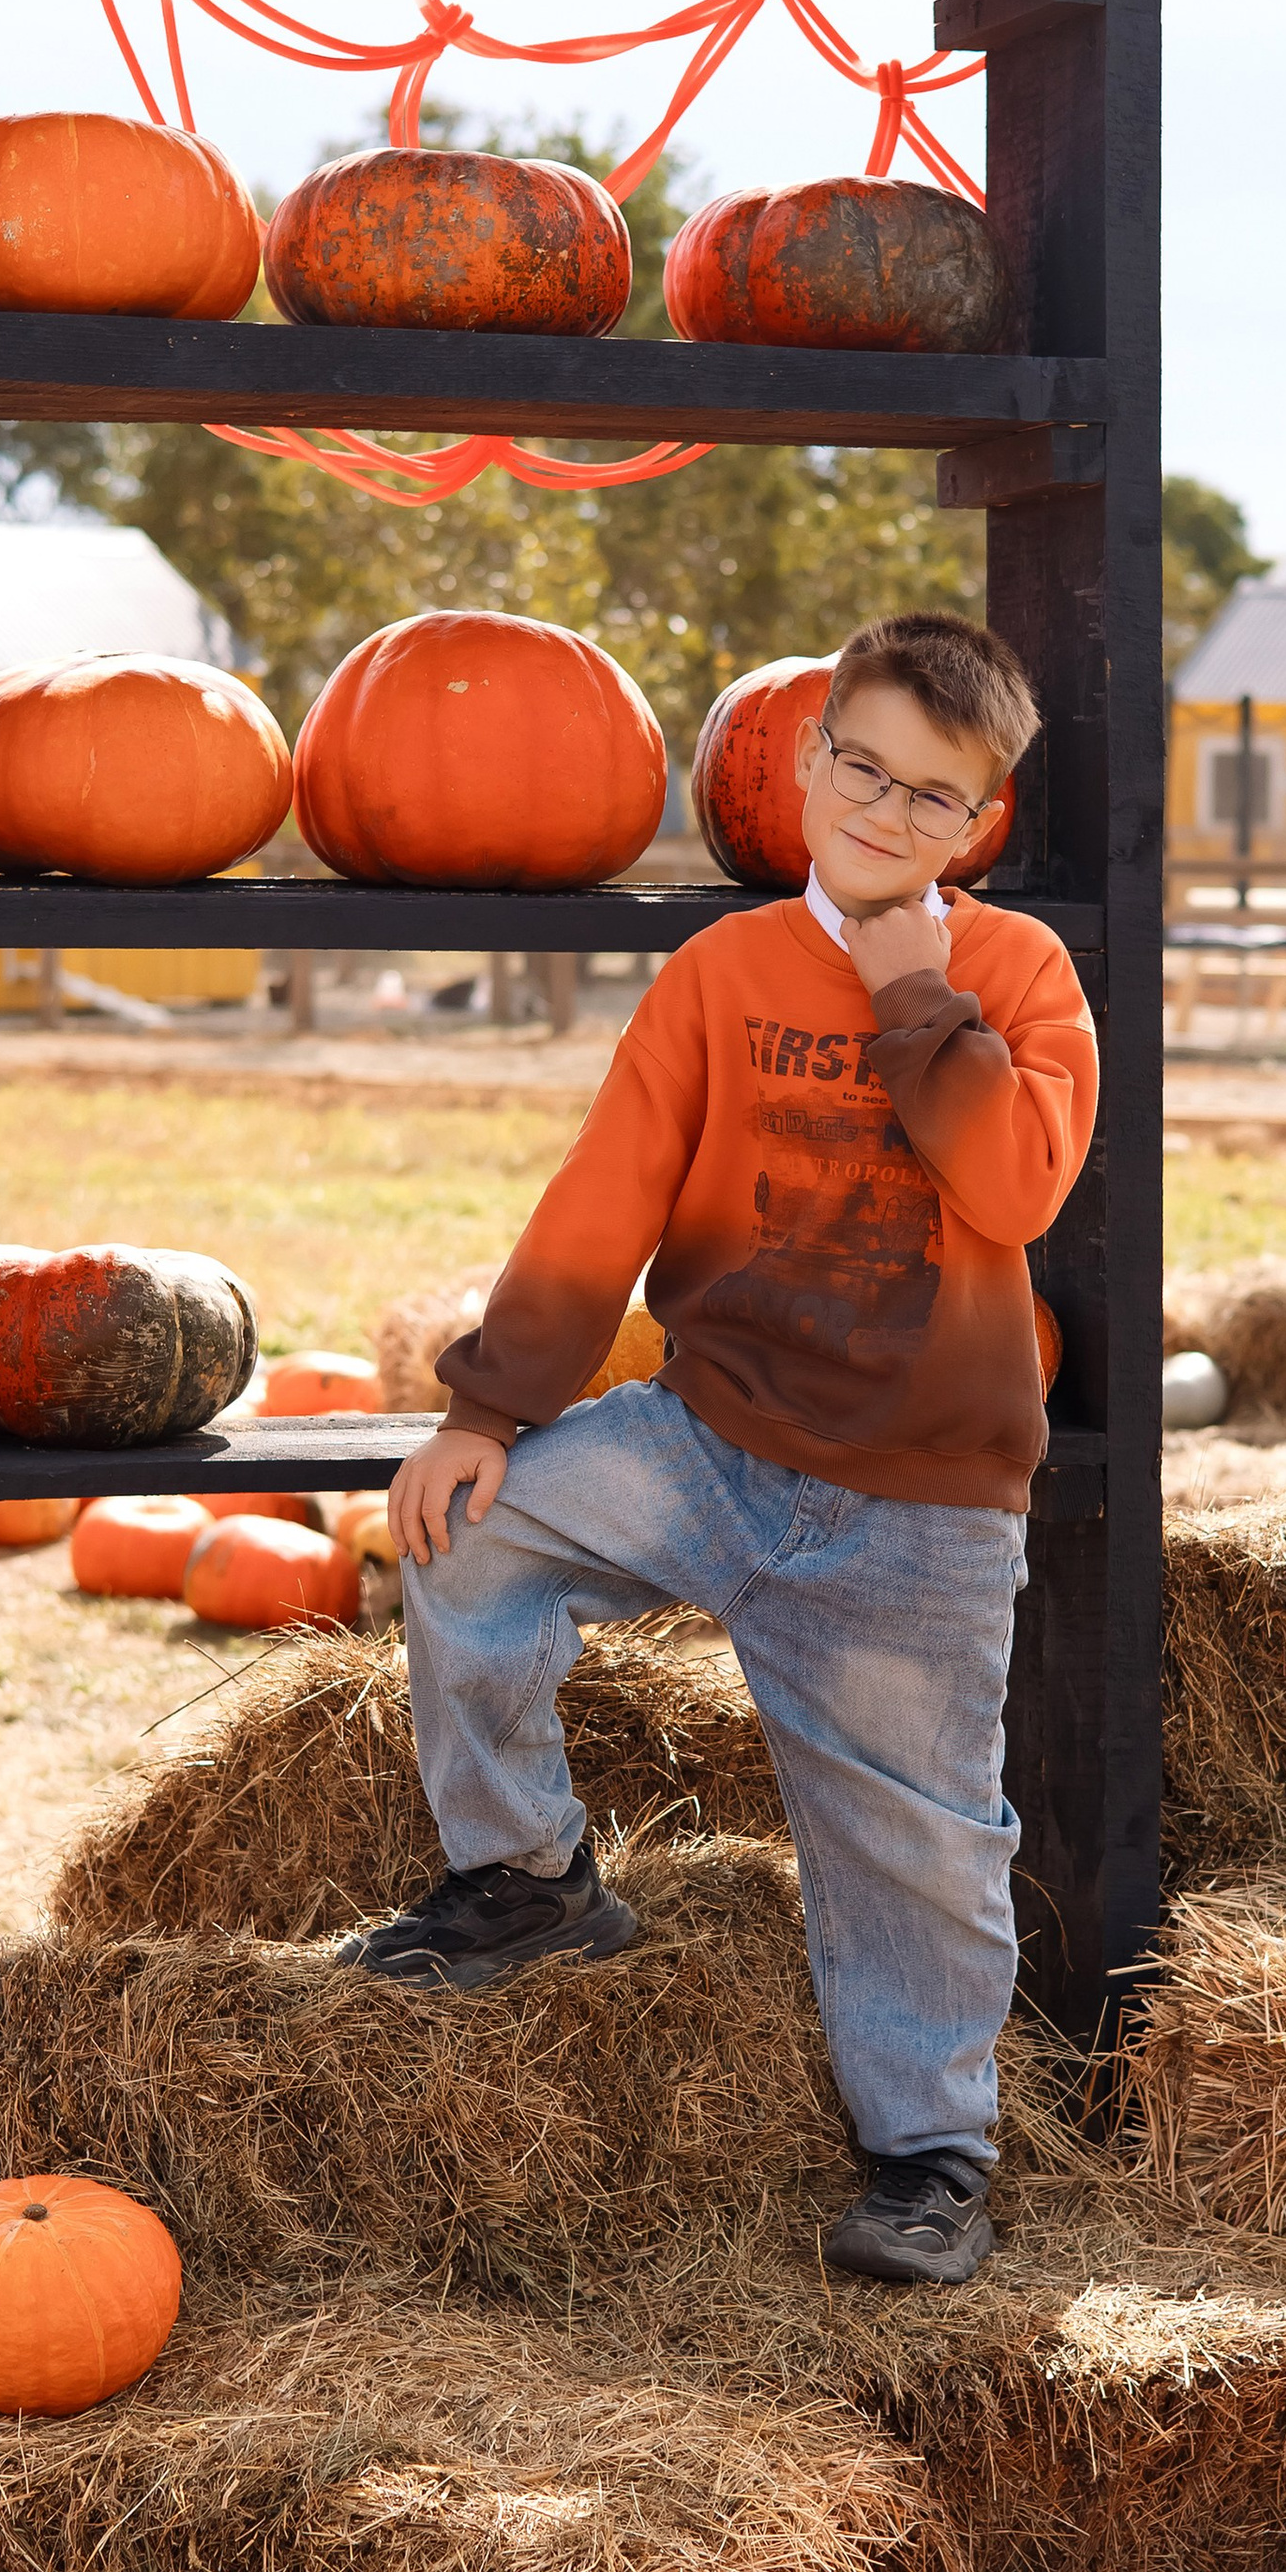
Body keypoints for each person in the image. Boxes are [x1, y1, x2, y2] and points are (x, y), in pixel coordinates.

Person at [349, 609, 1099, 2289]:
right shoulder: (721, 975)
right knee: (473, 1540)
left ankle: (931, 2158)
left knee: (920, 1840)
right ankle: (530, 1874)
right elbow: (605, 1197)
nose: (887, 813)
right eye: (863, 770)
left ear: (979, 820)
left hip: (920, 1502)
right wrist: (487, 1411)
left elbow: (1013, 1188)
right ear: (808, 762)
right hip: (709, 1443)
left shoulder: (1020, 977)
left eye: (931, 796)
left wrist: (917, 999)